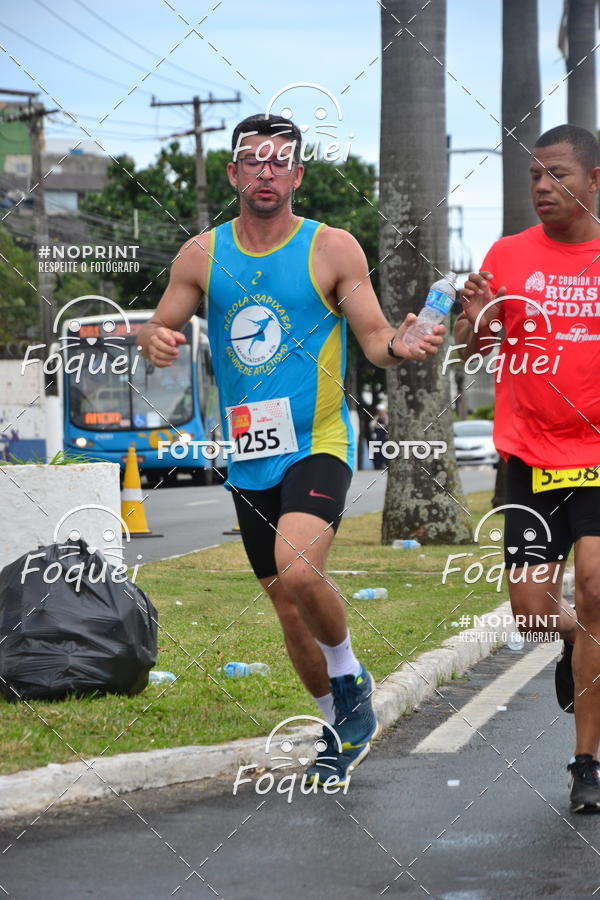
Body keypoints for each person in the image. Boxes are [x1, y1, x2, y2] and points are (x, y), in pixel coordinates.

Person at [139, 114, 445, 787]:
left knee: (301, 572)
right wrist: (154, 341)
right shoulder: (201, 254)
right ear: (234, 174)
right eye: (254, 160)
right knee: (286, 605)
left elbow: (373, 337)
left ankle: (350, 680)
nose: (267, 171)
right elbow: (161, 326)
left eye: (281, 161)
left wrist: (404, 343)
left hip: (318, 443)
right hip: (249, 455)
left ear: (298, 174)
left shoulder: (333, 248)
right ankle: (336, 723)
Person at [455, 124, 600, 813]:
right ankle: (575, 639)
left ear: (595, 180)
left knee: (597, 586)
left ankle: (585, 765)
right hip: (530, 456)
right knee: (535, 614)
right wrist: (476, 317)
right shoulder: (508, 256)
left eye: (559, 174)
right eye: (535, 177)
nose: (543, 187)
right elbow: (472, 348)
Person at [369, 404, 389, 469]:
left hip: (384, 438)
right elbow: (371, 426)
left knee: (385, 452)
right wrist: (373, 433)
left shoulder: (386, 419)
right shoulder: (376, 419)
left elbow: (388, 427)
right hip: (377, 439)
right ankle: (377, 465)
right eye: (379, 411)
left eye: (382, 411)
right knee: (377, 452)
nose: (381, 412)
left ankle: (385, 465)